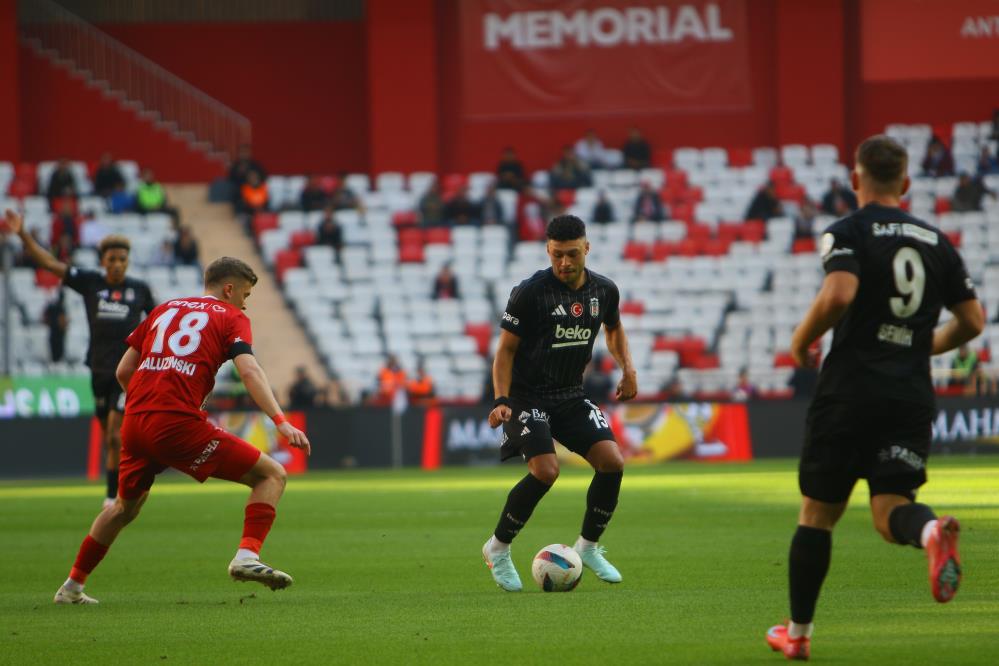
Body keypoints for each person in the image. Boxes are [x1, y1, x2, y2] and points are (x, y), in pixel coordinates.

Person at [765, 135, 983, 659]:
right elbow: (973, 321)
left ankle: (798, 635)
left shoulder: (848, 230)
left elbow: (839, 292)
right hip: (909, 394)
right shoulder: (937, 241)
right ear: (905, 183)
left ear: (855, 179)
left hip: (851, 390)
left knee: (817, 515)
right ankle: (930, 532)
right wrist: (922, 345)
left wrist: (800, 340)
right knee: (891, 512)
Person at [52, 257, 311, 604]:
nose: (245, 303)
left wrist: (148, 402)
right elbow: (249, 370)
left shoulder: (164, 309)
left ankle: (72, 587)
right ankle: (247, 556)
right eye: (245, 295)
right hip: (176, 424)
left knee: (123, 508)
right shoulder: (231, 317)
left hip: (136, 422)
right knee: (272, 475)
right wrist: (280, 421)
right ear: (229, 289)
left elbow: (123, 371)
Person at [482, 214, 637, 592]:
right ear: (548, 251)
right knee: (546, 471)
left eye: (571, 254)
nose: (564, 263)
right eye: (556, 255)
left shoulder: (604, 290)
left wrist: (627, 369)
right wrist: (501, 400)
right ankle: (497, 548)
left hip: (569, 394)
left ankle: (588, 546)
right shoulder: (530, 292)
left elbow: (614, 328)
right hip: (525, 396)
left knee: (612, 462)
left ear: (587, 248)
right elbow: (504, 352)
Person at [4, 210, 156, 506]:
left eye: (122, 259)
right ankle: (117, 486)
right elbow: (50, 264)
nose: (117, 264)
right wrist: (22, 234)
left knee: (114, 435)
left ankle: (113, 497)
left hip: (126, 373)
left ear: (128, 261)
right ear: (102, 261)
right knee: (109, 436)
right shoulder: (91, 283)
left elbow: (159, 323)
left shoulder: (139, 290)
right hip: (97, 370)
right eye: (111, 259)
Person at [44, 289, 68, 364]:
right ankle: (56, 360)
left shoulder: (56, 307)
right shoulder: (58, 307)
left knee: (57, 347)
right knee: (57, 347)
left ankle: (56, 360)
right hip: (56, 331)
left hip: (57, 331)